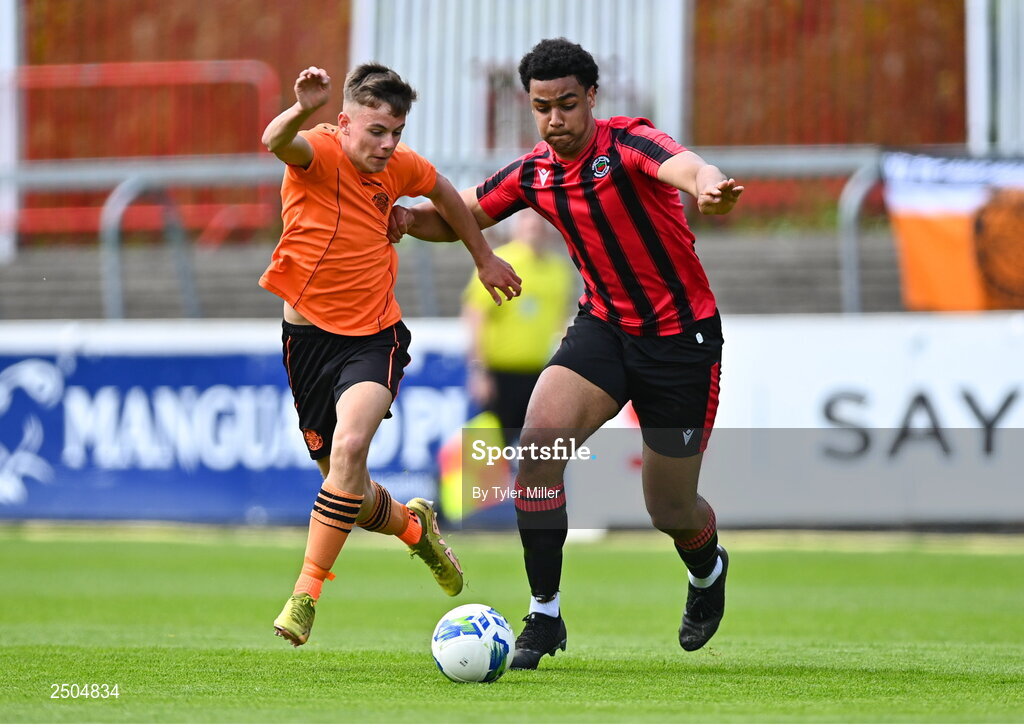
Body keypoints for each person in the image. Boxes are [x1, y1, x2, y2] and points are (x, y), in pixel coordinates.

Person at [391, 38, 743, 669]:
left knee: (669, 507)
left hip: (679, 342)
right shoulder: (535, 171)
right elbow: (460, 214)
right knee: (536, 453)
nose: (555, 120)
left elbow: (686, 167)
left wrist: (710, 186)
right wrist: (408, 218)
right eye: (542, 107)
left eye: (568, 105)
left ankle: (706, 569)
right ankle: (545, 615)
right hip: (603, 329)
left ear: (593, 99)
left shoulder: (630, 143)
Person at [259, 63, 521, 647]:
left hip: (373, 337)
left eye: (397, 132)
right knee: (344, 490)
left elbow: (446, 194)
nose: (389, 145)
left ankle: (306, 594)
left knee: (352, 447)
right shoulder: (318, 153)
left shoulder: (398, 165)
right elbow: (276, 140)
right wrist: (302, 107)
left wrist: (481, 257)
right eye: (377, 131)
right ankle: (413, 526)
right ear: (344, 121)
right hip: (305, 342)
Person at [462, 209, 575, 439]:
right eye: (527, 220)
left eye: (540, 221)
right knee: (490, 446)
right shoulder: (497, 262)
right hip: (500, 374)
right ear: (516, 226)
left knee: (536, 447)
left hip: (540, 375)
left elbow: (561, 321)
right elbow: (475, 316)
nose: (534, 226)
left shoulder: (558, 270)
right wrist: (478, 370)